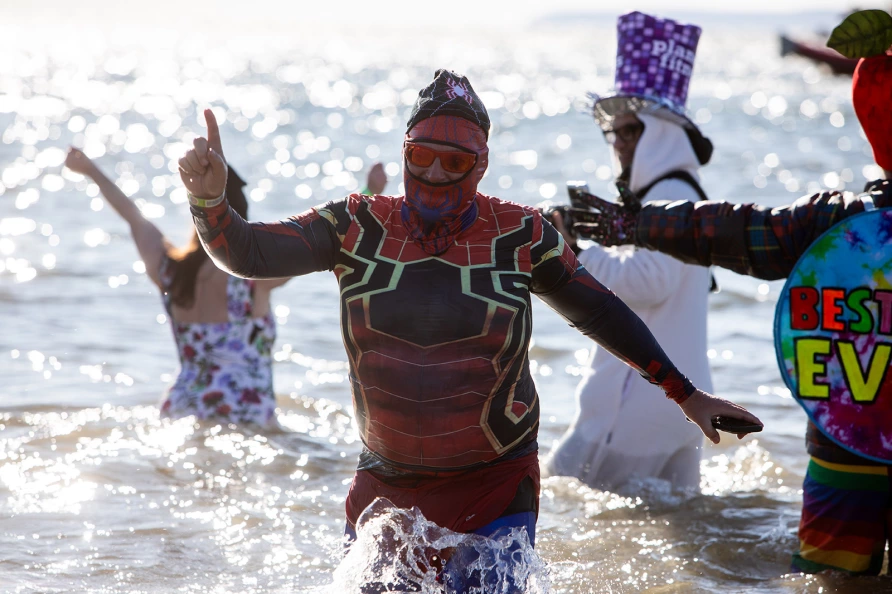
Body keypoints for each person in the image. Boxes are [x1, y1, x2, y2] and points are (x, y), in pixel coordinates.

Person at [176, 70, 761, 589]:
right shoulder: (355, 225)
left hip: (495, 487)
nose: (434, 172)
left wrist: (687, 395)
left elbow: (602, 314)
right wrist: (210, 203)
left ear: (480, 165)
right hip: (386, 486)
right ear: (405, 152)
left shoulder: (522, 236)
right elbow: (247, 254)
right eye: (421, 155)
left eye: (453, 162)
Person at [569, 45, 892, 576]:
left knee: (831, 581)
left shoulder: (839, 219)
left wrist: (625, 227)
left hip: (844, 441)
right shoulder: (835, 217)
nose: (620, 143)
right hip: (828, 439)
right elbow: (730, 228)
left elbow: (738, 231)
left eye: (629, 131)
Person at [543, 11, 716, 492]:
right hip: (679, 401)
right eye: (614, 132)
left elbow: (650, 280)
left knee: (557, 493)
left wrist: (575, 252)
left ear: (661, 132)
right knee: (683, 521)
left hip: (641, 405)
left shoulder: (670, 194)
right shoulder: (679, 192)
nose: (618, 143)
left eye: (631, 131)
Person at [64, 147, 292, 427]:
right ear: (241, 220)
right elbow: (320, 243)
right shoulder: (255, 276)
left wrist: (90, 170)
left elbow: (133, 216)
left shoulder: (170, 270)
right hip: (244, 411)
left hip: (181, 406)